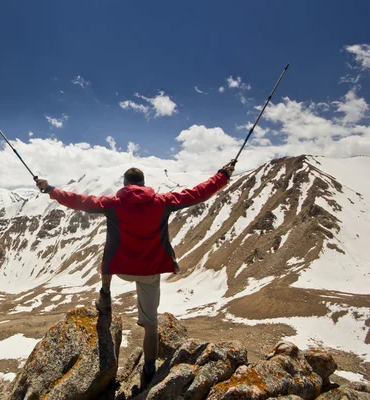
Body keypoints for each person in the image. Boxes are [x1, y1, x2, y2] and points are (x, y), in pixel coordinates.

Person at [35, 161, 235, 388]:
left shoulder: (113, 204)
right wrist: (222, 175)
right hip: (150, 271)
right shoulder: (162, 202)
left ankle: (105, 294)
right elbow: (198, 193)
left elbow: (79, 201)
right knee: (151, 325)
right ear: (143, 184)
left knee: (109, 247)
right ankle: (148, 371)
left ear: (125, 184)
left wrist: (50, 189)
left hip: (120, 269)